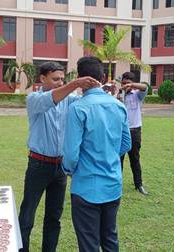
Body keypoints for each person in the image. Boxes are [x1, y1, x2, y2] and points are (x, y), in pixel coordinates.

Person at [18, 62, 98, 252]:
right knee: (27, 215)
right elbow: (51, 98)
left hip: (60, 168)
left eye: (62, 79)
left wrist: (96, 89)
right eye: (55, 79)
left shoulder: (70, 100)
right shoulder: (34, 99)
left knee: (54, 217)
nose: (59, 82)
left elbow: (87, 103)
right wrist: (74, 83)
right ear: (42, 78)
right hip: (38, 164)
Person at [63, 56, 131, 252]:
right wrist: (108, 155)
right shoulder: (118, 105)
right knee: (110, 238)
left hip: (86, 187)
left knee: (88, 244)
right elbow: (126, 144)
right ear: (102, 77)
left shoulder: (78, 108)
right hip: (112, 183)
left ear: (79, 78)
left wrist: (70, 170)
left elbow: (70, 154)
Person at [119, 71, 148, 195]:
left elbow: (145, 87)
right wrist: (120, 93)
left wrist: (132, 86)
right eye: (123, 83)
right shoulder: (118, 96)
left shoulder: (137, 95)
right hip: (119, 131)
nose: (125, 85)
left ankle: (139, 184)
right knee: (118, 159)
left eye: (128, 83)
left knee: (135, 159)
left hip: (134, 131)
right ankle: (116, 184)